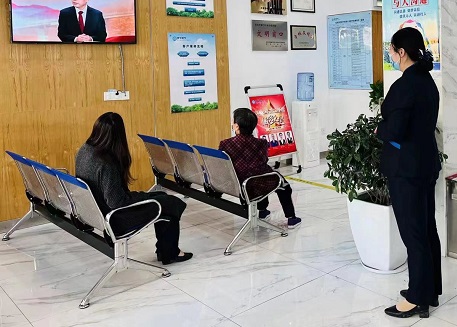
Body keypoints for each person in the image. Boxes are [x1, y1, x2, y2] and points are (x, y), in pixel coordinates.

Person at [376, 27, 441, 319]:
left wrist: (380, 130)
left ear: (401, 52)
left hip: (406, 169)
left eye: (391, 50)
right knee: (427, 230)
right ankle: (429, 289)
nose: (390, 54)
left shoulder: (404, 85)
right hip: (426, 164)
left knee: (413, 234)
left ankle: (416, 298)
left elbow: (396, 130)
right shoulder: (427, 81)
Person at [75, 112, 192, 265]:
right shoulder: (106, 163)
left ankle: (166, 250)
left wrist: (144, 196)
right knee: (170, 203)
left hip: (98, 212)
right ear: (118, 135)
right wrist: (143, 196)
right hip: (116, 217)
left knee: (161, 197)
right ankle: (169, 253)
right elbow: (117, 202)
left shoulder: (85, 151)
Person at [219, 108, 301, 228]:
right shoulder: (261, 143)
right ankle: (291, 218)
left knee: (258, 177)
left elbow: (223, 165)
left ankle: (263, 210)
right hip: (256, 183)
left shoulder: (225, 144)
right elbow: (263, 163)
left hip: (237, 184)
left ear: (236, 126)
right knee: (281, 184)